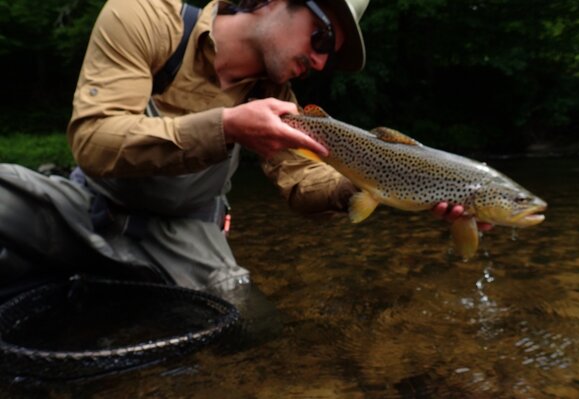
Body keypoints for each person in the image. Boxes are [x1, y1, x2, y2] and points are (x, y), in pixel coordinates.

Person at [0, 0, 485, 299]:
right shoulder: (144, 18)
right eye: (319, 38)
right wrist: (227, 125)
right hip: (84, 207)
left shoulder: (281, 104)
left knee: (247, 331)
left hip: (189, 240)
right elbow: (93, 142)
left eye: (328, 57)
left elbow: (302, 185)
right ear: (272, 1)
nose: (318, 60)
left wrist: (393, 184)